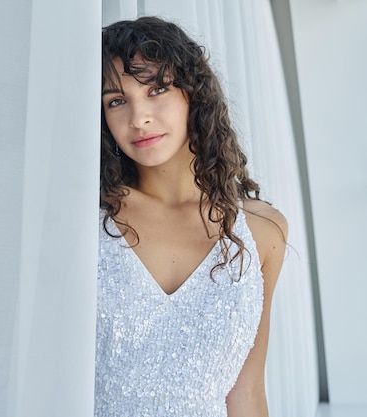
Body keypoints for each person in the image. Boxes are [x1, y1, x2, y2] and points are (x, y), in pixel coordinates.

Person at [95, 16, 288, 417]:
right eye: (116, 101)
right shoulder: (86, 223)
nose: (138, 117)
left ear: (192, 95)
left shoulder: (262, 230)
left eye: (157, 90)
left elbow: (247, 392)